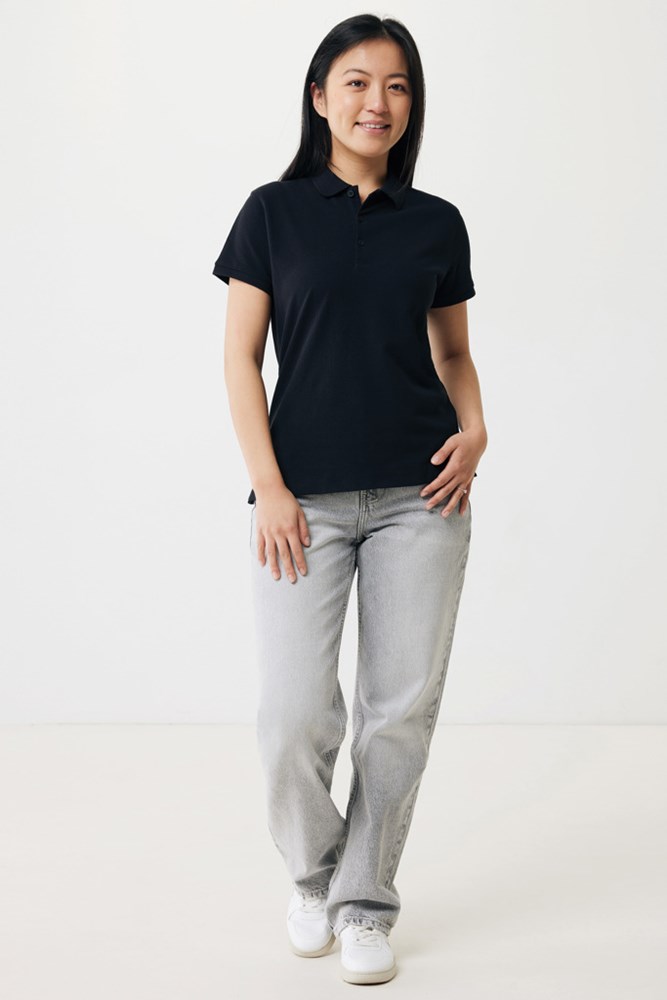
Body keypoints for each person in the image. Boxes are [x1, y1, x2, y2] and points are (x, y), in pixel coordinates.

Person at [212, 13, 487, 986]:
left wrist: (476, 427)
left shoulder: (435, 221)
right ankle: (315, 875)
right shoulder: (271, 213)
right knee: (293, 715)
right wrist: (270, 487)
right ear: (320, 96)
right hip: (303, 503)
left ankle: (366, 901)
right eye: (359, 82)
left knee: (396, 715)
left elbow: (453, 352)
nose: (379, 101)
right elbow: (240, 357)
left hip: (424, 496)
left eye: (397, 85)